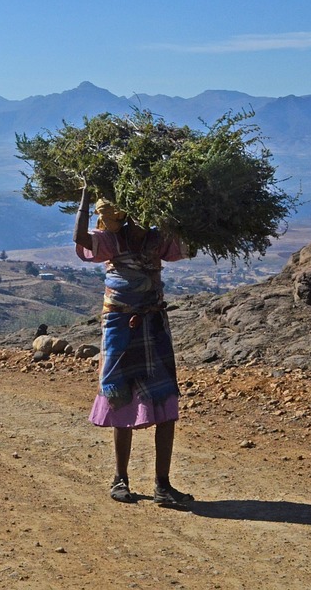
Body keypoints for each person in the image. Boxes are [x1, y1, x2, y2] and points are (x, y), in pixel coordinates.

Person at [74, 185, 194, 507]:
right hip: (119, 326)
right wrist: (85, 198)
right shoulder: (112, 239)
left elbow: (189, 246)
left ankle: (163, 485)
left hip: (153, 323)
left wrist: (194, 211)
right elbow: (82, 241)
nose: (143, 219)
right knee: (119, 398)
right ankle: (119, 478)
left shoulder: (159, 239)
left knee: (166, 399)